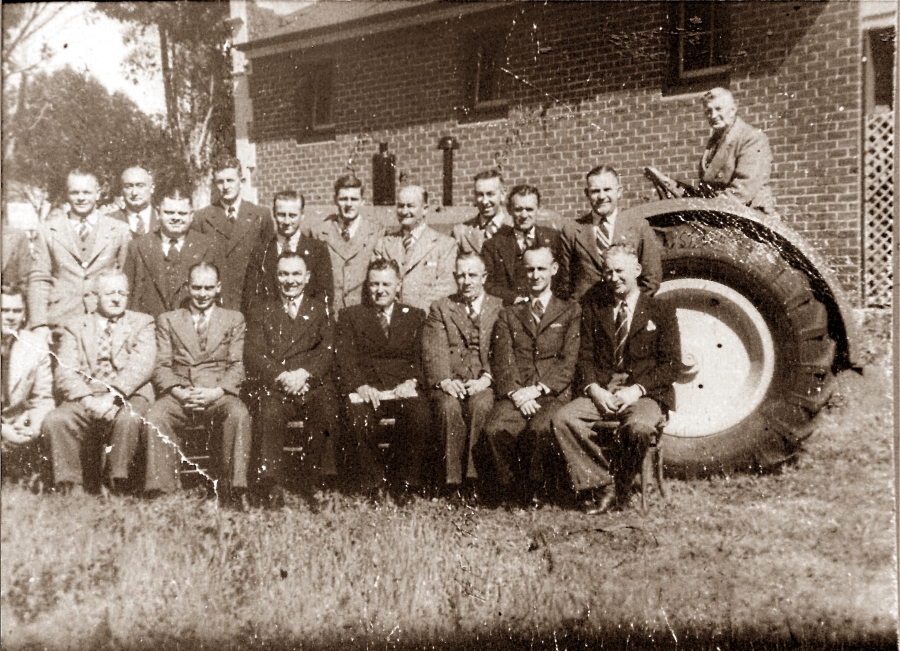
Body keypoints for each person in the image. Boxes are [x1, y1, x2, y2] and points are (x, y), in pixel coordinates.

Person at [550, 244, 680, 512]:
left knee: (638, 429)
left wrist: (637, 390)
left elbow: (671, 365)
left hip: (644, 394)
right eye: (608, 272)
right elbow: (584, 357)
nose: (613, 278)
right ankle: (603, 484)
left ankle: (622, 486)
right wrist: (595, 390)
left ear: (637, 270)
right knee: (564, 419)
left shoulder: (661, 310)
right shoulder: (595, 308)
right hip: (604, 390)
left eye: (620, 271)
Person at [143, 262, 252, 506]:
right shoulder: (169, 320)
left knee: (238, 414)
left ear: (218, 288)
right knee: (155, 416)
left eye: (208, 288)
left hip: (217, 393)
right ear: (187, 287)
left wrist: (216, 392)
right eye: (197, 288)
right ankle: (162, 492)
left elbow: (237, 364)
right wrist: (180, 393)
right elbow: (161, 366)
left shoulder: (233, 319)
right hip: (181, 393)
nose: (202, 294)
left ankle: (234, 490)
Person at [42, 271, 156, 494]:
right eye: (110, 293)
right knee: (56, 420)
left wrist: (112, 398)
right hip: (87, 394)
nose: (116, 299)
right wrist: (88, 399)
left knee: (129, 419)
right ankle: (71, 488)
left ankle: (116, 486)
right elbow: (65, 369)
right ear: (95, 296)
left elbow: (141, 366)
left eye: (122, 293)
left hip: (128, 394)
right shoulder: (75, 326)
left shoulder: (142, 322)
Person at [244, 252, 343, 507]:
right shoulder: (261, 309)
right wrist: (281, 376)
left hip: (310, 383)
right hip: (277, 384)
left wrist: (304, 374)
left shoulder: (321, 309)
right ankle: (271, 484)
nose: (290, 280)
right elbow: (253, 353)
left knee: (327, 408)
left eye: (296, 274)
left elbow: (327, 350)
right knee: (269, 412)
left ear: (307, 277)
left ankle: (320, 482)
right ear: (276, 277)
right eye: (284, 274)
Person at [483, 246, 581, 504]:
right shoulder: (509, 314)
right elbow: (503, 359)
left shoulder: (570, 311)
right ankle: (511, 489)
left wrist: (537, 390)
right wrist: (517, 393)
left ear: (554, 269)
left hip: (552, 393)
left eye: (541, 269)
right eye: (529, 270)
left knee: (539, 429)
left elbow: (568, 361)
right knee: (495, 429)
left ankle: (537, 489)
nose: (535, 275)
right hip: (518, 393)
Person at [335, 258, 431, 499]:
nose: (379, 290)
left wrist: (411, 381)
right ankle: (372, 484)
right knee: (356, 418)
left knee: (420, 415)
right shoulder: (351, 316)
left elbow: (421, 358)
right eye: (374, 284)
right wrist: (360, 385)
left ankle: (405, 483)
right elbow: (345, 359)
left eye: (386, 284)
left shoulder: (415, 316)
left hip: (401, 388)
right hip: (368, 389)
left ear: (398, 285)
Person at [422, 252, 503, 497]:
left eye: (472, 275)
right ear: (455, 277)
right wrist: (445, 380)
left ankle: (474, 481)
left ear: (484, 277)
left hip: (484, 381)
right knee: (448, 408)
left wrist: (486, 379)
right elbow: (434, 348)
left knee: (481, 406)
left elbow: (504, 351)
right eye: (461, 275)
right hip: (451, 381)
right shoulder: (441, 308)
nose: (466, 281)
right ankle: (452, 482)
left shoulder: (500, 308)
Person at [28, 169, 131, 339]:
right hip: (60, 322)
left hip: (104, 322)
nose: (81, 198)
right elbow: (39, 279)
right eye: (75, 192)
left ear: (98, 193)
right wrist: (39, 324)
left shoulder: (119, 230)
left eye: (87, 192)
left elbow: (124, 276)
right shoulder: (48, 230)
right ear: (67, 194)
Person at [558, 165, 661, 302]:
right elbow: (564, 283)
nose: (602, 196)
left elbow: (651, 278)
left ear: (619, 192)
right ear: (587, 194)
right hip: (585, 311)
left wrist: (629, 306)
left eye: (607, 189)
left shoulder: (639, 227)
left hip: (625, 311)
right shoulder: (572, 230)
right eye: (595, 191)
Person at [192, 157, 273, 311]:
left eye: (230, 180)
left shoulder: (261, 215)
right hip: (217, 302)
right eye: (220, 182)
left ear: (241, 182)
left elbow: (269, 262)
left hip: (252, 300)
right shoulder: (201, 218)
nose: (225, 186)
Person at [123, 186, 217, 317]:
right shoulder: (138, 246)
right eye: (169, 212)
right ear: (158, 213)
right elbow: (128, 296)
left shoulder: (207, 246)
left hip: (192, 325)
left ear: (191, 216)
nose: (176, 218)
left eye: (182, 213)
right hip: (149, 325)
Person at [242, 190, 333, 313]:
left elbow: (324, 297)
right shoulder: (260, 252)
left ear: (302, 215)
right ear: (274, 214)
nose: (286, 221)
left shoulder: (318, 250)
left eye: (292, 215)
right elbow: (251, 299)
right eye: (281, 215)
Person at [373, 185, 457, 312]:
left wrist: (412, 314)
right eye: (401, 206)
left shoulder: (445, 245)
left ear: (424, 209)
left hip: (426, 318)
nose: (404, 211)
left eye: (410, 206)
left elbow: (446, 287)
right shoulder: (383, 244)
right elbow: (375, 282)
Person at [310, 174, 385, 312]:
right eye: (343, 199)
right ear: (335, 200)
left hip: (363, 312)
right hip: (330, 313)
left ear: (362, 201)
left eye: (354, 199)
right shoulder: (319, 232)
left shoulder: (375, 232)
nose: (349, 204)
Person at [1, 285, 54, 481]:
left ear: (24, 314)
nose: (11, 317)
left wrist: (33, 428)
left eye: (17, 311)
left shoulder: (36, 345)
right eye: (4, 310)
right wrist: (3, 431)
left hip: (18, 424)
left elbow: (43, 398)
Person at [698, 87, 776, 215]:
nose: (713, 115)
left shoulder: (751, 138)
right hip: (722, 211)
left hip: (749, 214)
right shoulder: (714, 142)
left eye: (718, 109)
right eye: (708, 111)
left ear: (733, 110)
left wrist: (707, 210)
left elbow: (744, 189)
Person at [482, 184, 560, 305]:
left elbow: (563, 279)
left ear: (538, 209)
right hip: (510, 309)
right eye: (518, 209)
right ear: (509, 210)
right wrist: (513, 298)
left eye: (529, 209)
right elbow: (487, 284)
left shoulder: (554, 238)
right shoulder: (493, 245)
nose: (524, 215)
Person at [452, 170, 514, 255]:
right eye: (480, 195)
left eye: (490, 194)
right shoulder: (461, 232)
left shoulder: (514, 226)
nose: (485, 201)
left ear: (503, 194)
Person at [108, 166, 159, 237]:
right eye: (128, 186)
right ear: (122, 190)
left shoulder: (163, 218)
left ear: (152, 187)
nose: (134, 193)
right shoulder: (108, 221)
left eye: (140, 186)